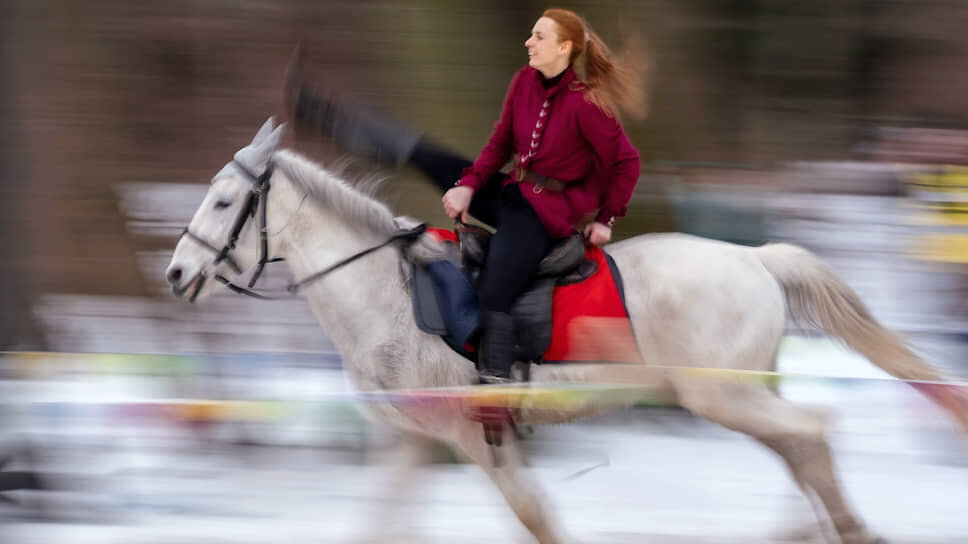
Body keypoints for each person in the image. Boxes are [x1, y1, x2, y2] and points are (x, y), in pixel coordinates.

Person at [286, 8, 646, 385]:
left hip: (548, 215)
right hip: (513, 192)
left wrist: (606, 219)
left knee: (495, 290)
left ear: (564, 47)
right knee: (428, 157)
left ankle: (496, 381)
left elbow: (628, 163)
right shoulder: (525, 82)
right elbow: (500, 143)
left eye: (539, 36)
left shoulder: (587, 106)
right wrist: (468, 185)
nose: (529, 42)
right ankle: (320, 112)